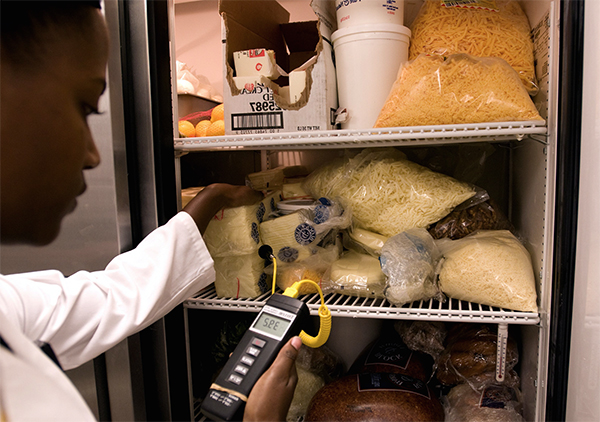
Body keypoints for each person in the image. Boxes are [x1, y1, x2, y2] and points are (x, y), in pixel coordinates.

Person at [0, 2, 300, 421]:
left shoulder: (8, 308)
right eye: (85, 106)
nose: (92, 154)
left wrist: (211, 197)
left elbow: (120, 292)